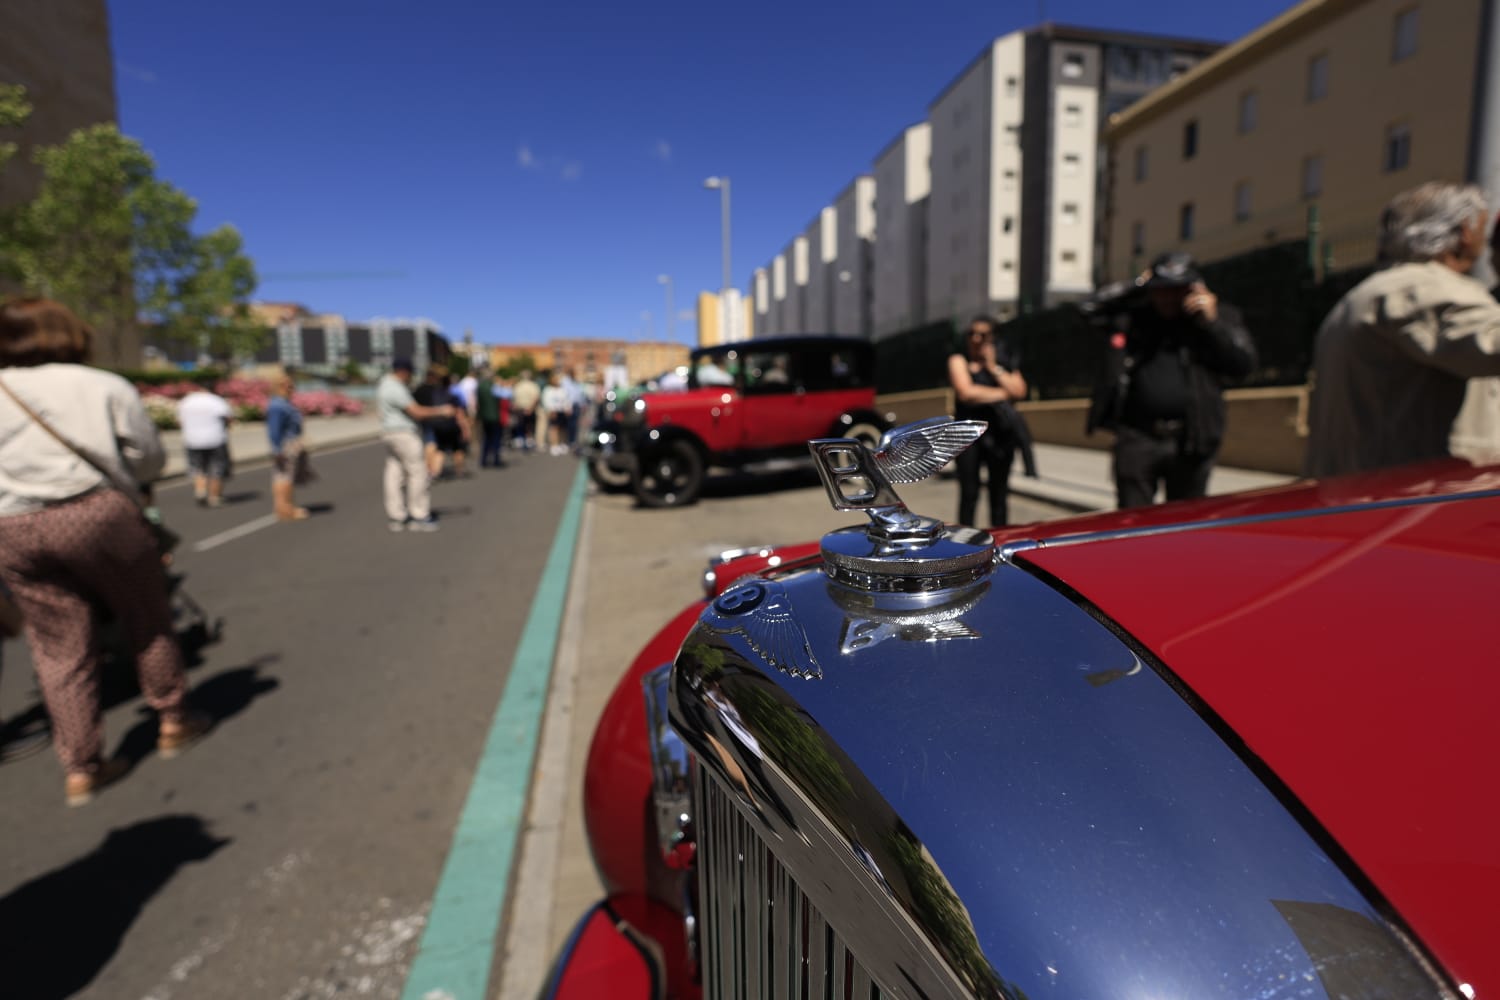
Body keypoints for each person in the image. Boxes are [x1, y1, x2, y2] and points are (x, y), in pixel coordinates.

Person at [0, 296, 209, 805]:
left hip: (13, 524)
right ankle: (172, 718)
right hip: (93, 510)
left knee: (58, 648)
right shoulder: (100, 385)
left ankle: (82, 766)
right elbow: (149, 458)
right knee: (146, 619)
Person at [1307, 182, 1500, 476]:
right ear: (1464, 231)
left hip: (1355, 486)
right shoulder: (1428, 289)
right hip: (1418, 492)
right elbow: (1492, 343)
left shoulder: (1363, 296)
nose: (1486, 246)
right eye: (1482, 230)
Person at [1086, 252, 1257, 508]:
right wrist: (1137, 284)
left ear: (1193, 289)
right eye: (1160, 290)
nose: (1167, 298)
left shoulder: (1217, 318)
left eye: (1176, 290)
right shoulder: (1134, 320)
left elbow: (1244, 366)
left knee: (1185, 520)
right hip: (1138, 437)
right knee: (1132, 520)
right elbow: (1088, 308)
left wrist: (1213, 324)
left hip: (1193, 438)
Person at [948, 316, 1029, 527]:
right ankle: (965, 541)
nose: (976, 339)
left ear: (993, 337)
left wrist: (993, 367)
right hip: (968, 437)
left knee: (999, 495)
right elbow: (966, 393)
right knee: (969, 493)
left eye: (982, 335)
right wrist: (1005, 393)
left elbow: (1020, 390)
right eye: (971, 334)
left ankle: (1000, 538)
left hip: (1000, 435)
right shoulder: (959, 360)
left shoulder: (1004, 362)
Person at [377, 358, 458, 531]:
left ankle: (397, 516)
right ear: (404, 372)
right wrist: (442, 410)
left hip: (390, 432)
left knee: (394, 474)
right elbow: (417, 412)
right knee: (418, 473)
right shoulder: (396, 388)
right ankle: (419, 515)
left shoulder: (384, 385)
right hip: (403, 433)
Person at [177, 385, 233, 507]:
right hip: (215, 438)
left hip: (192, 439)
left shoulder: (187, 401)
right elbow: (228, 419)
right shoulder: (216, 400)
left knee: (197, 467)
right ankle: (214, 496)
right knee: (217, 468)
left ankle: (200, 490)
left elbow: (180, 421)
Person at [266, 372, 311, 521]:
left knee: (284, 477)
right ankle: (286, 509)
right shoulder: (278, 405)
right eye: (287, 386)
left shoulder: (284, 403)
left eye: (292, 385)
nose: (291, 388)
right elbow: (274, 430)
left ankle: (284, 508)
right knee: (284, 478)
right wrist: (278, 450)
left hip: (290, 443)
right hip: (286, 445)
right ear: (277, 387)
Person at [475, 368, 508, 468]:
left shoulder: (480, 387)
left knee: (486, 438)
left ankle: (484, 460)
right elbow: (506, 395)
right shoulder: (494, 387)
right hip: (494, 416)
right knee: (496, 438)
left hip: (484, 416)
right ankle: (496, 460)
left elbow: (478, 402)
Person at [542, 371, 571, 455]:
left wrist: (567, 408)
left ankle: (562, 443)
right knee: (554, 429)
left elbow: (566, 400)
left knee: (563, 428)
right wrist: (551, 410)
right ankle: (554, 445)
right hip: (553, 411)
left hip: (562, 411)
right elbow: (546, 401)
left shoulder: (562, 390)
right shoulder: (548, 390)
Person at [511, 369, 540, 451]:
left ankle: (523, 441)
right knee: (529, 427)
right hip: (529, 408)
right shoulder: (533, 385)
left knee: (521, 426)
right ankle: (527, 442)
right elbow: (536, 398)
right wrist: (531, 408)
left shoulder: (518, 386)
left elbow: (514, 399)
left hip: (520, 409)